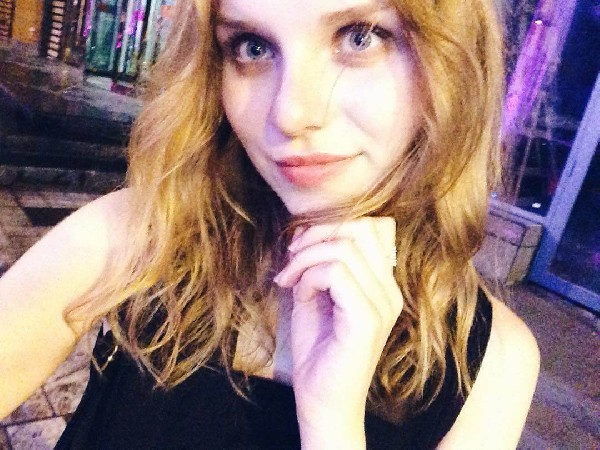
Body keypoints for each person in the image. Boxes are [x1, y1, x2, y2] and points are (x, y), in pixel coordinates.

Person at [0, 0, 540, 448]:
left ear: (453, 62)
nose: (290, 113)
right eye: (252, 47)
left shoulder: (493, 367)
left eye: (359, 37)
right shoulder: (134, 239)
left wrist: (331, 427)